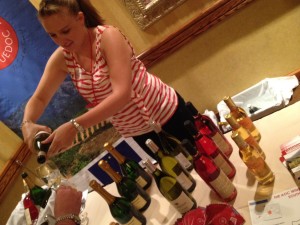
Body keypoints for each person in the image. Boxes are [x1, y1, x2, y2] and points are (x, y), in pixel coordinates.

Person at [21, 0, 194, 158]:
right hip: (136, 132)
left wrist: (75, 126)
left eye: (65, 31)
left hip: (167, 113)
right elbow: (40, 98)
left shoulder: (107, 37)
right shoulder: (63, 58)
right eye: (53, 35)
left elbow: (122, 94)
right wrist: (27, 124)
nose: (61, 40)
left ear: (80, 18)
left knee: (208, 166)